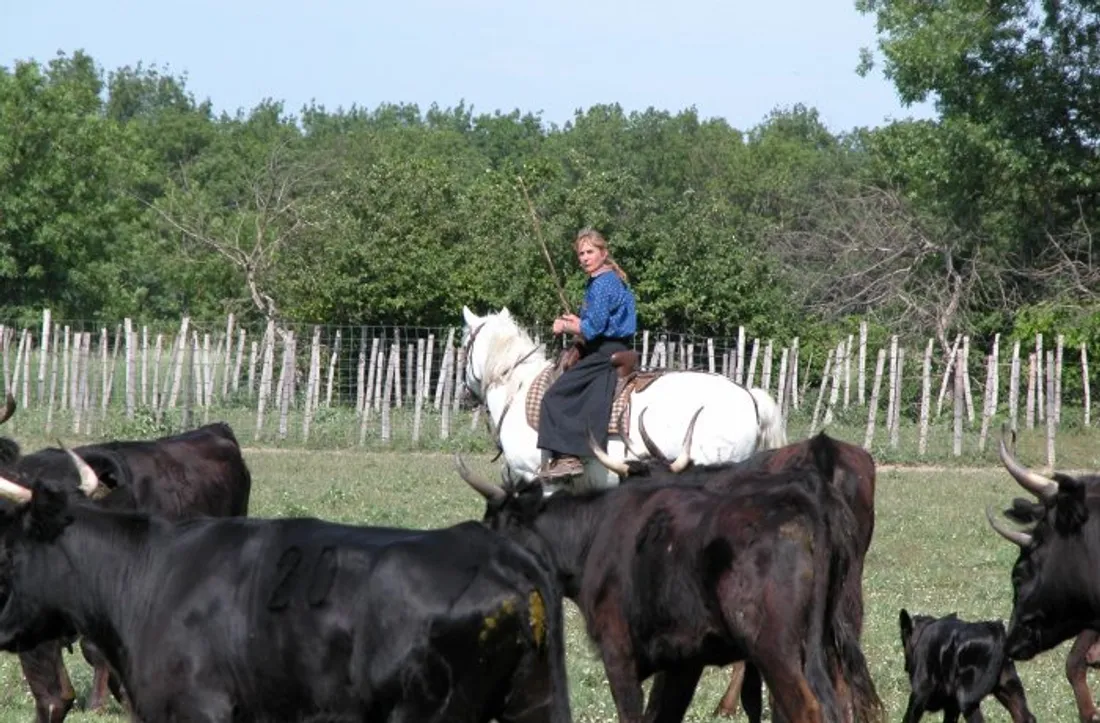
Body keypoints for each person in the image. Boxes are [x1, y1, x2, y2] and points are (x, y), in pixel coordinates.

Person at [537, 227, 637, 479]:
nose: (584, 258)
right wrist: (577, 320)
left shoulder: (603, 283)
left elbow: (593, 328)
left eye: (590, 252)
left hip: (605, 350)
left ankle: (569, 458)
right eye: (581, 253)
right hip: (611, 344)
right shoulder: (606, 279)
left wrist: (564, 325)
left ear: (604, 253)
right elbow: (597, 320)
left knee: (554, 396)